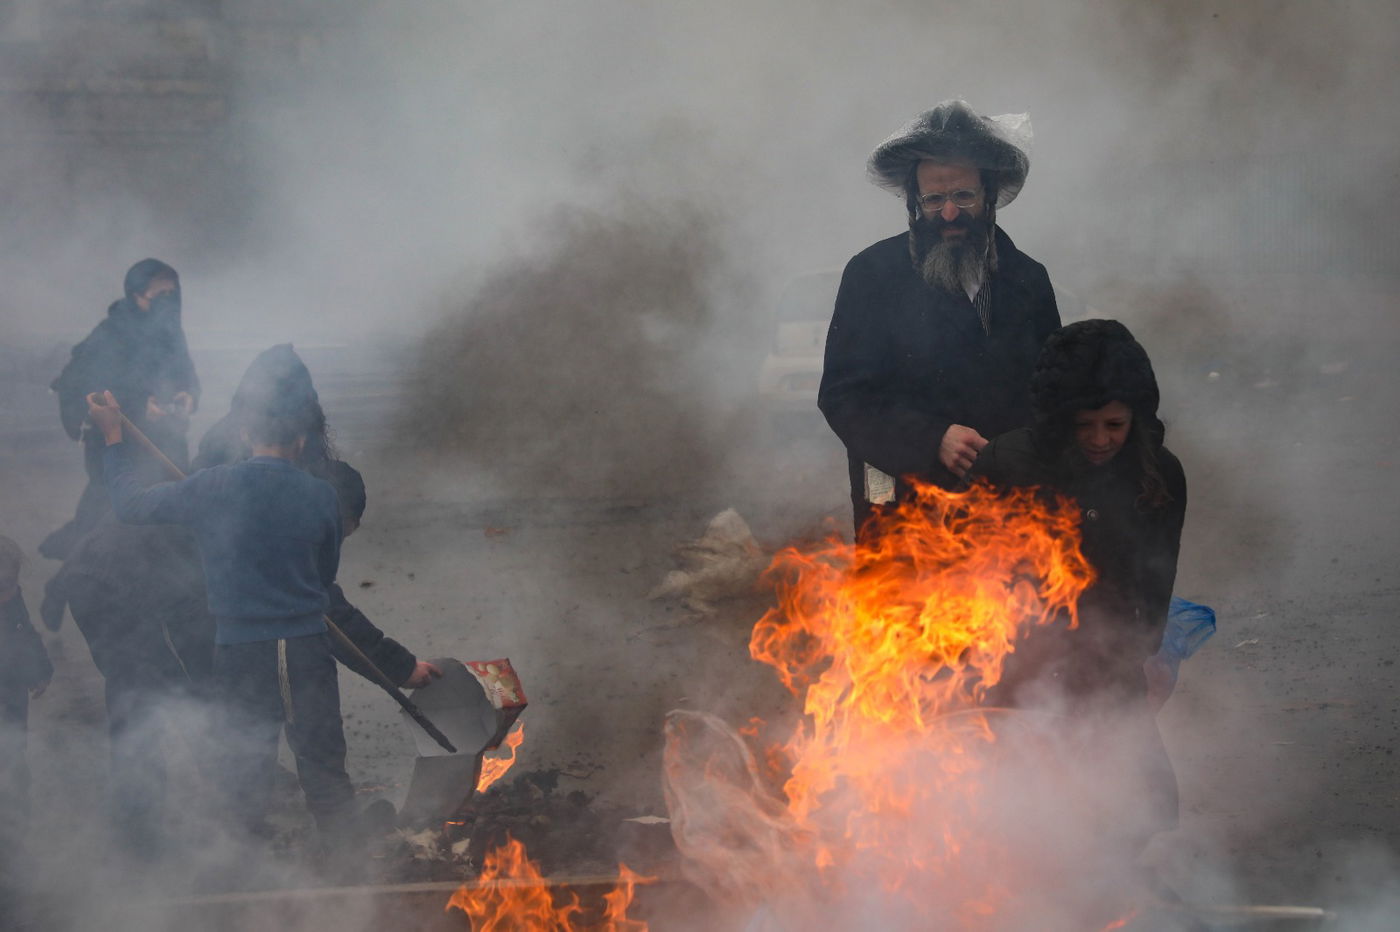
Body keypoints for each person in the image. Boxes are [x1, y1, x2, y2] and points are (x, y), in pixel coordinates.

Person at [86, 387, 360, 868]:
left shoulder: (212, 486)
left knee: (244, 770)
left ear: (245, 433)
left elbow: (130, 505)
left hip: (241, 651)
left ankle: (244, 880)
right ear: (299, 440)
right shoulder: (320, 495)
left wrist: (112, 439)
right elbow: (325, 574)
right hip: (305, 650)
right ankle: (352, 870)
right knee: (323, 765)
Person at [970, 319, 1186, 839]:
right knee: (1021, 813)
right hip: (1019, 665)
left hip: (1109, 661)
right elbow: (971, 574)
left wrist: (1151, 650)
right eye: (1084, 424)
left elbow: (1156, 576)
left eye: (1115, 425)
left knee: (1147, 809)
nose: (1099, 440)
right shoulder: (1008, 464)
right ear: (1059, 417)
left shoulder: (1160, 474)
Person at [818, 100, 1061, 534]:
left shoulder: (1029, 280)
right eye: (934, 198)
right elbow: (844, 398)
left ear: (989, 195)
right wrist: (932, 439)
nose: (949, 213)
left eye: (963, 195)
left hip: (1003, 514)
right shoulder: (872, 275)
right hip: (901, 514)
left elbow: (1051, 397)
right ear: (914, 201)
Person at [43, 259, 200, 559]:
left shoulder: (171, 332)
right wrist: (141, 407)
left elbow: (187, 374)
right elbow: (87, 385)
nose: (169, 302)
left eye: (173, 293)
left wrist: (188, 395)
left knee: (167, 513)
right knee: (111, 514)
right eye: (160, 295)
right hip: (119, 441)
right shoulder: (109, 334)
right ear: (135, 295)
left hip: (165, 441)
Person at [0, 536, 53, 917]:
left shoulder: (9, 595)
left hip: (9, 701)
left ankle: (14, 858)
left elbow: (22, 629)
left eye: (11, 585)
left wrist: (39, 667)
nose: (9, 593)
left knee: (14, 773)